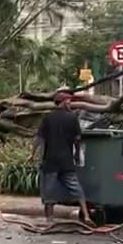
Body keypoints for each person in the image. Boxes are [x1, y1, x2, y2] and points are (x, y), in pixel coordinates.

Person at [33, 90, 93, 225]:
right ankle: (86, 215)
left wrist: (32, 154)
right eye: (69, 101)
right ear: (64, 102)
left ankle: (49, 219)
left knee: (49, 191)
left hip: (50, 160)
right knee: (76, 187)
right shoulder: (72, 118)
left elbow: (39, 138)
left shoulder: (48, 118)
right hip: (66, 160)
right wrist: (77, 156)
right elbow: (77, 139)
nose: (70, 104)